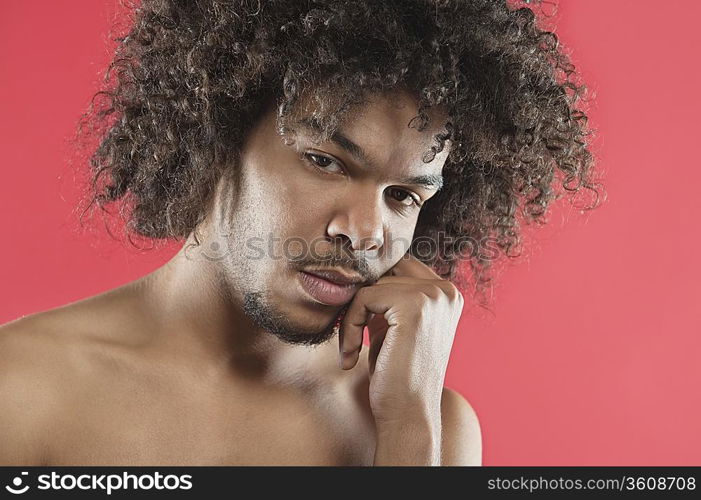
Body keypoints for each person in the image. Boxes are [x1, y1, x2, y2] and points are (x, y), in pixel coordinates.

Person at [0, 0, 599, 466]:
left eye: (403, 195)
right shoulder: (23, 389)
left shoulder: (428, 426)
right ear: (216, 139)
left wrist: (410, 430)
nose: (366, 233)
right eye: (325, 161)